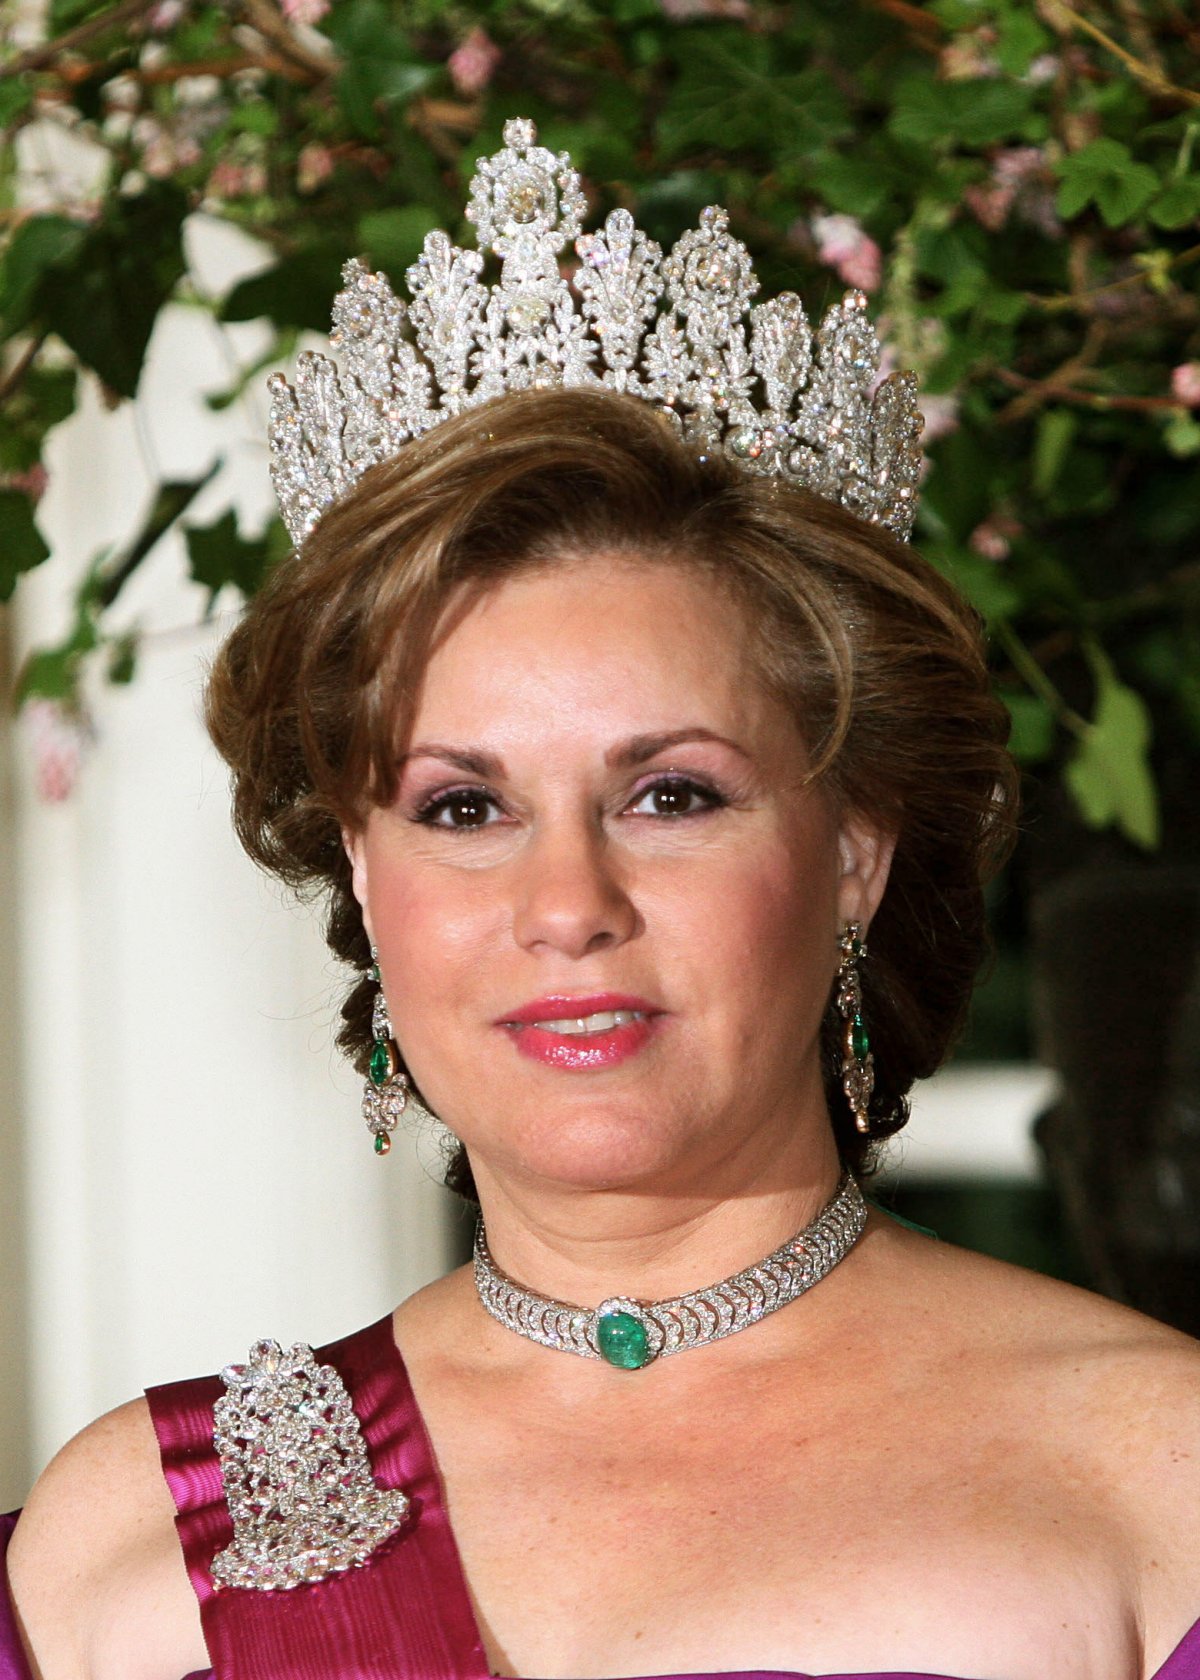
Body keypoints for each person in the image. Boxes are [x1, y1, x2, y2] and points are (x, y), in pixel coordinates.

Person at [5, 120, 1199, 1680]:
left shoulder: (1156, 1483)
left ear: (855, 850)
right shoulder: (126, 1544)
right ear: (364, 878)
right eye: (465, 807)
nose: (567, 903)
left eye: (672, 796)